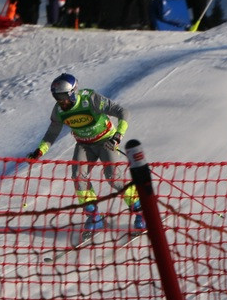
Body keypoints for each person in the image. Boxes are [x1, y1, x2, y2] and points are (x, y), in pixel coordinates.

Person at [27, 73, 145, 231]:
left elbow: (123, 112)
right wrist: (39, 151)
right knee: (78, 177)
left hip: (105, 141)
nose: (61, 101)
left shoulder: (90, 99)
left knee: (113, 178)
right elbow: (51, 133)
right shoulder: (59, 111)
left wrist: (117, 137)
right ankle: (94, 216)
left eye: (63, 96)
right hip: (84, 144)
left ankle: (140, 211)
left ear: (73, 92)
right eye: (57, 97)